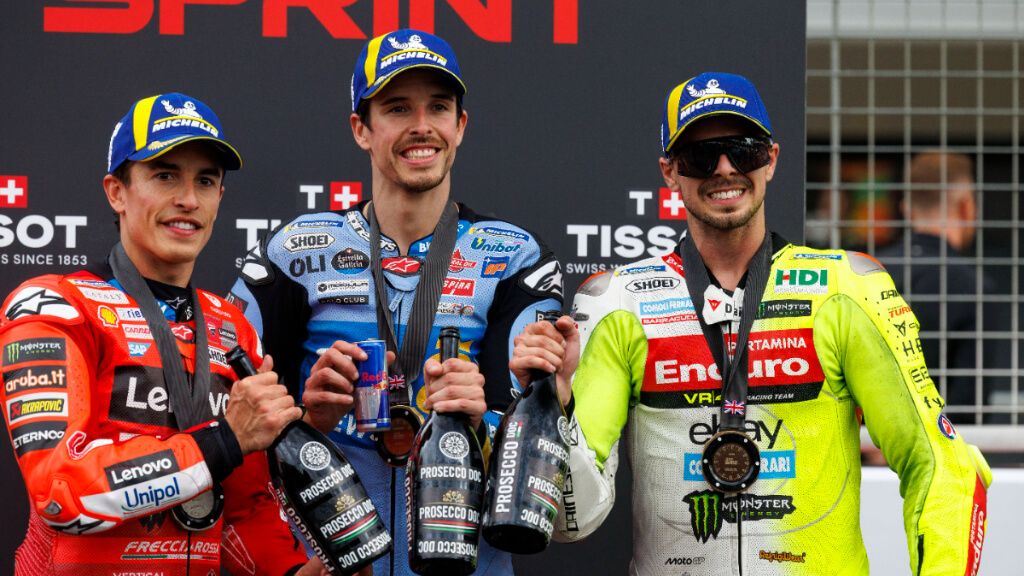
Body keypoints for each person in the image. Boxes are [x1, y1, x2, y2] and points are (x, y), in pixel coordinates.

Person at [509, 72, 991, 575]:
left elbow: (941, 464)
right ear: (670, 172)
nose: (725, 169)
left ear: (771, 160)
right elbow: (573, 521)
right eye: (701, 156)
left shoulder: (845, 289)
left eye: (744, 150)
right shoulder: (619, 302)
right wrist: (555, 407)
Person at [228, 29, 563, 575]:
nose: (421, 126)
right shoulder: (292, 253)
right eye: (398, 108)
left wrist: (482, 420)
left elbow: (537, 451)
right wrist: (310, 419)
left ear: (461, 125)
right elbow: (232, 430)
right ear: (361, 128)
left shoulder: (513, 256)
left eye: (438, 107)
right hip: (332, 563)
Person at [0, 93, 320, 575]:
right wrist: (223, 441)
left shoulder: (232, 328)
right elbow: (60, 493)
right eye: (165, 175)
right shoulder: (53, 306)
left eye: (205, 181)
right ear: (117, 192)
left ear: (219, 199)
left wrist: (295, 572)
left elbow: (243, 510)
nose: (188, 199)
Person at [875, 151, 1002, 422]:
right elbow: (970, 405)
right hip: (936, 444)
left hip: (861, 441)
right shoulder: (974, 287)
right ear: (966, 207)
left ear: (906, 209)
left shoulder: (866, 272)